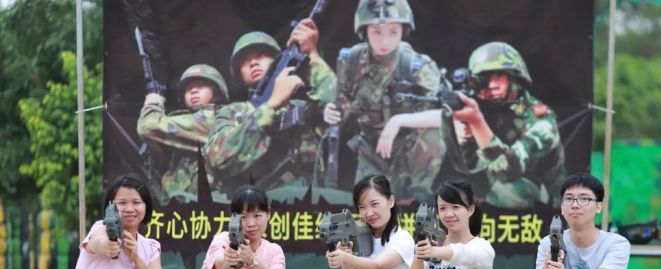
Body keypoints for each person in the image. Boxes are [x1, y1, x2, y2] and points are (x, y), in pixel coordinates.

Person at [323, 0, 445, 202]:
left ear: (403, 31)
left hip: (412, 148)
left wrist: (398, 121)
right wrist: (332, 112)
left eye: (393, 32)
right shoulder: (352, 61)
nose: (385, 40)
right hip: (372, 149)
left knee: (433, 135)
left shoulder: (416, 66)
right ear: (364, 31)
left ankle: (419, 193)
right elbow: (342, 100)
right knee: (369, 205)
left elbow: (447, 115)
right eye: (376, 32)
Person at [206, 23, 339, 204]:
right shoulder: (231, 113)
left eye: (261, 55)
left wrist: (312, 56)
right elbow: (220, 160)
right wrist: (271, 105)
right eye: (245, 61)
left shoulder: (305, 105)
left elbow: (341, 108)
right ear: (240, 75)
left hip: (310, 204)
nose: (253, 62)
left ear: (277, 62)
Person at [450, 42, 566, 208]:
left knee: (508, 190)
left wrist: (477, 123)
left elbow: (508, 171)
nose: (492, 85)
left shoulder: (541, 119)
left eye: (499, 76)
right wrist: (464, 139)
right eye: (484, 79)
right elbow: (470, 167)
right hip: (493, 198)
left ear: (514, 77)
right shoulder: (482, 109)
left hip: (547, 206)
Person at [137, 64, 229, 204]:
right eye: (188, 88)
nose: (193, 91)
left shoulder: (213, 118)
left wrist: (153, 102)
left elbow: (147, 127)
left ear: (216, 92)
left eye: (201, 86)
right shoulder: (188, 123)